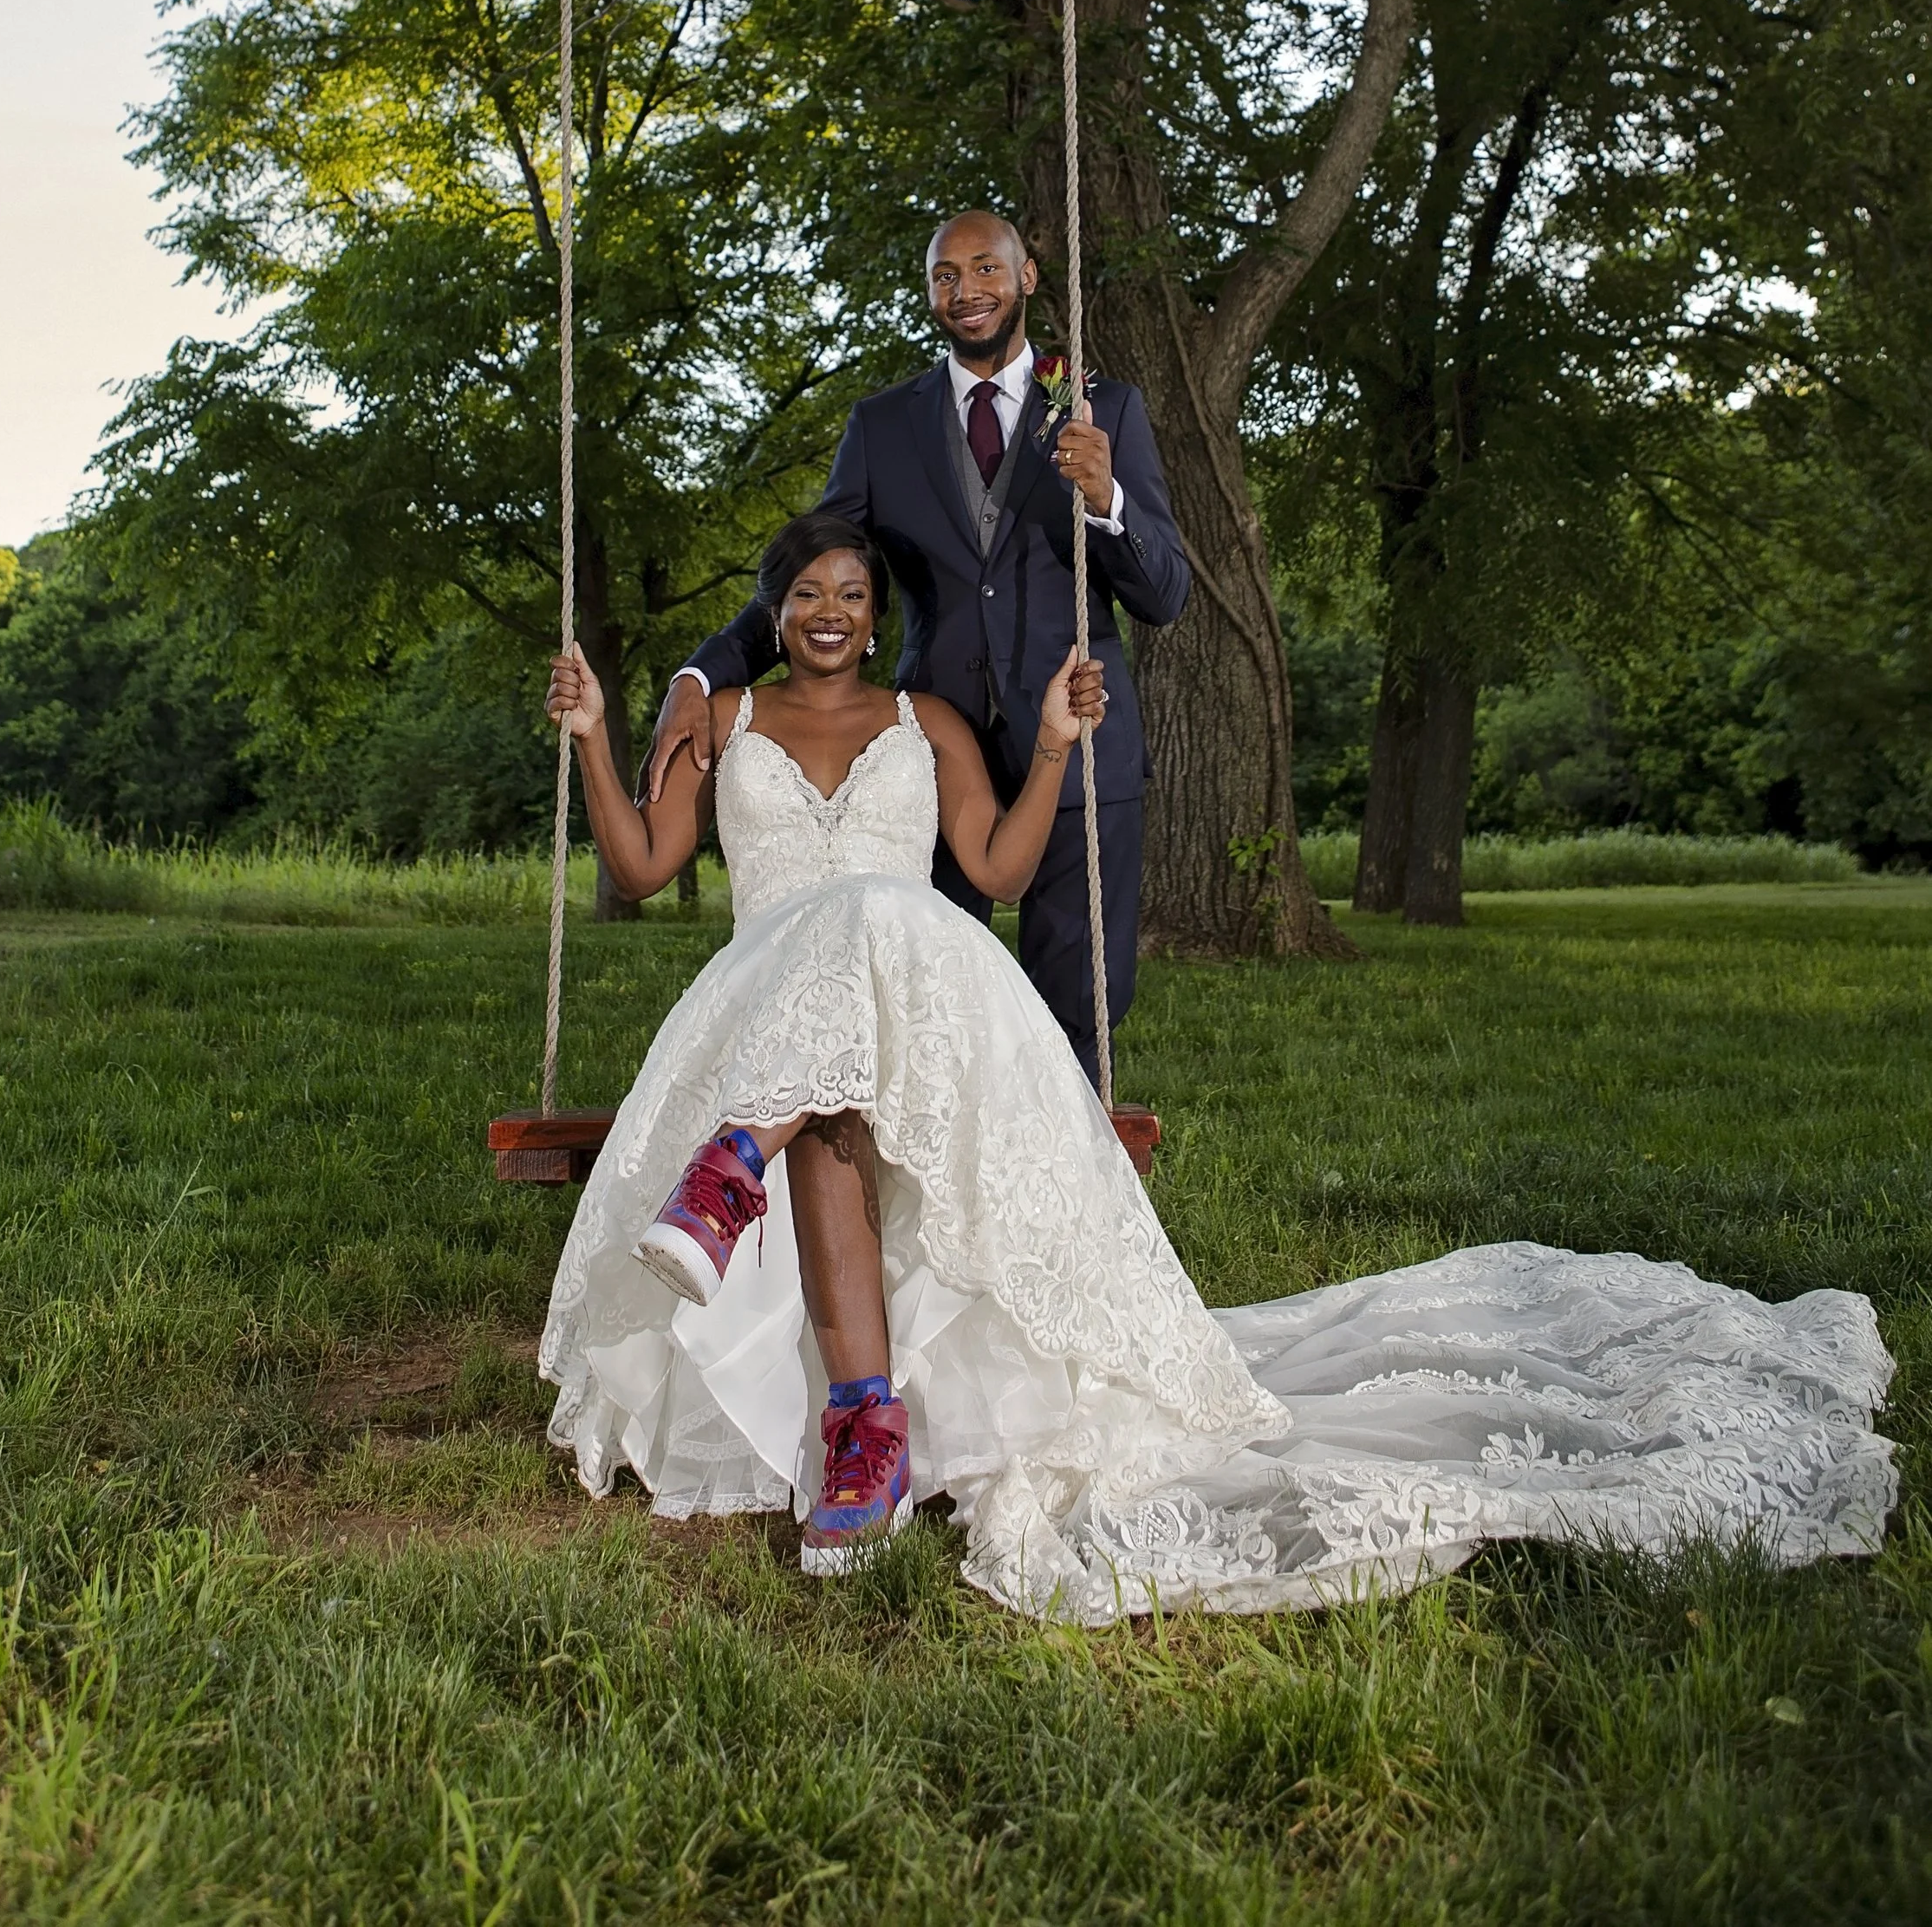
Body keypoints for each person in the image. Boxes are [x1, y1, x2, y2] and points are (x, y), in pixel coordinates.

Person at [538, 511, 1896, 1619]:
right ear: (773, 609)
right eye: (803, 594)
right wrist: (598, 732)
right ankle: (860, 1415)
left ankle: (737, 1182)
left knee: (880, 915)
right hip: (777, 1007)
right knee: (830, 1098)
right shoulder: (723, 723)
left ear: (874, 613)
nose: (827, 611)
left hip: (931, 1006)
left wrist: (1060, 746)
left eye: (849, 592)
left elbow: (1000, 871)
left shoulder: (927, 722)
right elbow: (643, 865)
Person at [646, 209, 1188, 1079]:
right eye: (944, 275)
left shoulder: (1100, 407)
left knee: (1077, 1010)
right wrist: (700, 672)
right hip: (930, 761)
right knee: (924, 1007)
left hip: (1081, 750)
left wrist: (1106, 498)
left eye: (984, 269)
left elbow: (1163, 593)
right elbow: (805, 585)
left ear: (1026, 277)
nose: (965, 291)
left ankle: (1063, 1203)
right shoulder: (883, 427)